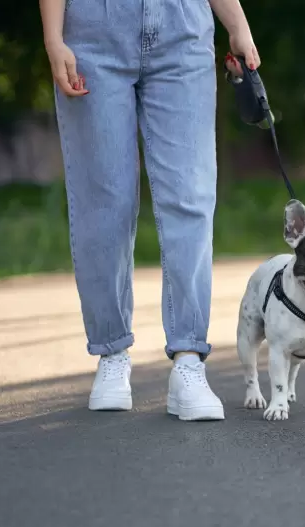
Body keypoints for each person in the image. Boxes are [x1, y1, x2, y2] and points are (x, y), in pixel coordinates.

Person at [39, 0, 260, 421]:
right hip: (93, 30)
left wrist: (238, 25)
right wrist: (54, 37)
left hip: (183, 28)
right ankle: (112, 353)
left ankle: (189, 359)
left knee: (190, 195)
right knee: (103, 199)